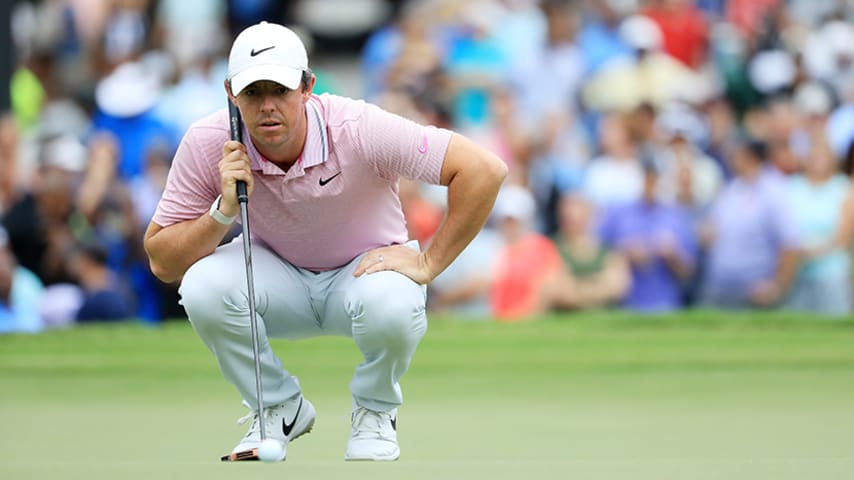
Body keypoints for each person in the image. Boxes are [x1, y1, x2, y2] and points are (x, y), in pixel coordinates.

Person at [143, 22, 507, 462]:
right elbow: (163, 261)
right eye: (253, 93)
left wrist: (429, 263)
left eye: (279, 90)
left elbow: (483, 170)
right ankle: (277, 407)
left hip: (363, 277)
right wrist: (221, 211)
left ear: (307, 87)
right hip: (279, 280)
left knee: (393, 301)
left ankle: (375, 410)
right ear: (230, 93)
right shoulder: (208, 142)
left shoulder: (358, 126)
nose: (267, 107)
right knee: (201, 285)